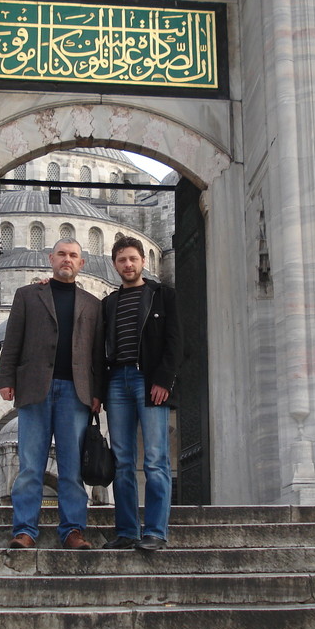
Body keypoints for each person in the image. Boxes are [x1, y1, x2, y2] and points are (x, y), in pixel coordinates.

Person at [0, 238, 103, 550]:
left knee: (71, 467)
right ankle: (25, 530)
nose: (67, 260)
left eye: (73, 256)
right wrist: (5, 379)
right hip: (35, 388)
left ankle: (72, 530)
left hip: (76, 392)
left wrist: (97, 393)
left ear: (81, 263)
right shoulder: (28, 295)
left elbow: (97, 354)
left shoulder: (93, 304)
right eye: (61, 254)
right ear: (50, 258)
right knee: (30, 465)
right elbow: (12, 340)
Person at [101, 236, 182, 552]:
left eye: (133, 259)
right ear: (115, 264)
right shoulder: (108, 302)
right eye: (122, 260)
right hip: (117, 382)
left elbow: (176, 343)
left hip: (148, 382)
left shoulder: (163, 296)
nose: (128, 265)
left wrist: (163, 380)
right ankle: (127, 531)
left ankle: (156, 532)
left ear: (142, 261)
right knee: (122, 460)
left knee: (155, 458)